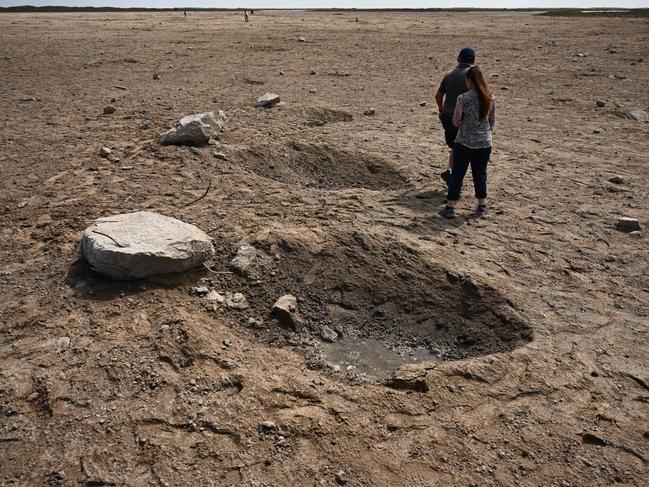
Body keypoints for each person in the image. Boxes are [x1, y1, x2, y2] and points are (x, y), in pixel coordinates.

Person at [439, 65, 495, 219]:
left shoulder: (463, 98)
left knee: (458, 174)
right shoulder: (490, 98)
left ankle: (450, 207)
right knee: (480, 174)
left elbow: (456, 122)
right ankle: (481, 206)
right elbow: (491, 122)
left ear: (470, 81)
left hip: (464, 141)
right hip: (484, 142)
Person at [435, 48, 475, 186]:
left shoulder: (449, 74)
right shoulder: (473, 75)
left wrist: (441, 110)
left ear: (459, 59)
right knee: (463, 148)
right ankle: (454, 175)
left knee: (454, 146)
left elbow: (438, 95)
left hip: (447, 116)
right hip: (464, 118)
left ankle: (451, 171)